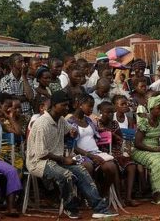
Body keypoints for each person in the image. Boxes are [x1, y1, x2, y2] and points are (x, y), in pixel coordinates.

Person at [26, 91, 117, 219]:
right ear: (54, 105)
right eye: (63, 105)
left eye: (67, 105)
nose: (67, 108)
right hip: (39, 162)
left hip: (57, 160)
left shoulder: (61, 120)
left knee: (82, 171)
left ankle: (100, 209)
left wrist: (72, 132)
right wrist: (64, 159)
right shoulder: (42, 124)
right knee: (66, 175)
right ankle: (70, 208)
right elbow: (42, 153)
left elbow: (70, 129)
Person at [66, 94, 121, 200]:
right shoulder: (70, 122)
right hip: (78, 154)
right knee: (88, 166)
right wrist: (90, 155)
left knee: (111, 167)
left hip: (95, 152)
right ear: (80, 105)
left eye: (92, 106)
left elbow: (97, 135)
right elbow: (72, 145)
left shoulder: (89, 121)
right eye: (89, 106)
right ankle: (88, 196)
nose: (91, 109)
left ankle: (101, 194)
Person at [96, 101, 140, 207]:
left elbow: (120, 139)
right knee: (114, 165)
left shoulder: (114, 123)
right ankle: (119, 198)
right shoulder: (97, 124)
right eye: (107, 112)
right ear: (101, 112)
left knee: (131, 166)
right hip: (104, 152)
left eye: (112, 112)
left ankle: (128, 197)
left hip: (116, 150)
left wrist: (115, 137)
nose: (110, 115)